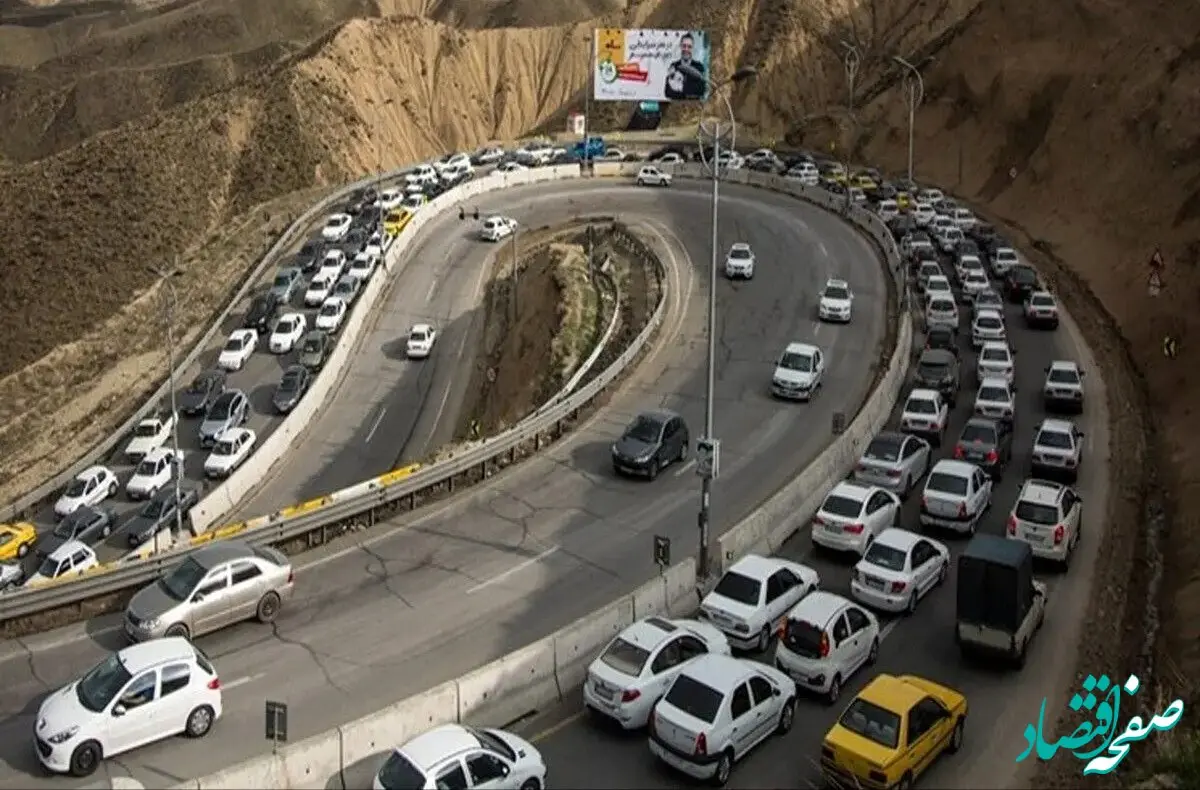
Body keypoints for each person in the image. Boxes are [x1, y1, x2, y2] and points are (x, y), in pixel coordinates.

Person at [663, 33, 707, 100]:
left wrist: (680, 87)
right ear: (680, 46)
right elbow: (668, 92)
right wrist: (690, 88)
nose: (686, 49)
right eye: (684, 46)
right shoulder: (674, 66)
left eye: (689, 47)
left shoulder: (699, 67)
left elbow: (701, 90)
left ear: (692, 48)